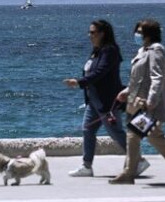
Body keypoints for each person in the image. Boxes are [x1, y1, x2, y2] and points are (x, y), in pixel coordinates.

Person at [109, 19, 165, 185]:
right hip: (137, 102)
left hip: (148, 105)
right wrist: (126, 92)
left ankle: (128, 173)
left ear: (150, 34)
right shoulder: (143, 50)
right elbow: (138, 80)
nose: (137, 35)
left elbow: (156, 77)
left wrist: (151, 101)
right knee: (155, 137)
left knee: (133, 135)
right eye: (137, 31)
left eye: (141, 32)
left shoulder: (156, 50)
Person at [64, 20, 149, 177]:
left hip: (107, 101)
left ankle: (139, 160)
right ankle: (87, 166)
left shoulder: (110, 51)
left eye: (93, 32)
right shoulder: (97, 51)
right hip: (94, 101)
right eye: (89, 32)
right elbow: (91, 71)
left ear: (102, 33)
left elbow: (100, 72)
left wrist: (79, 82)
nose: (90, 35)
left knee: (116, 132)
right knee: (87, 129)